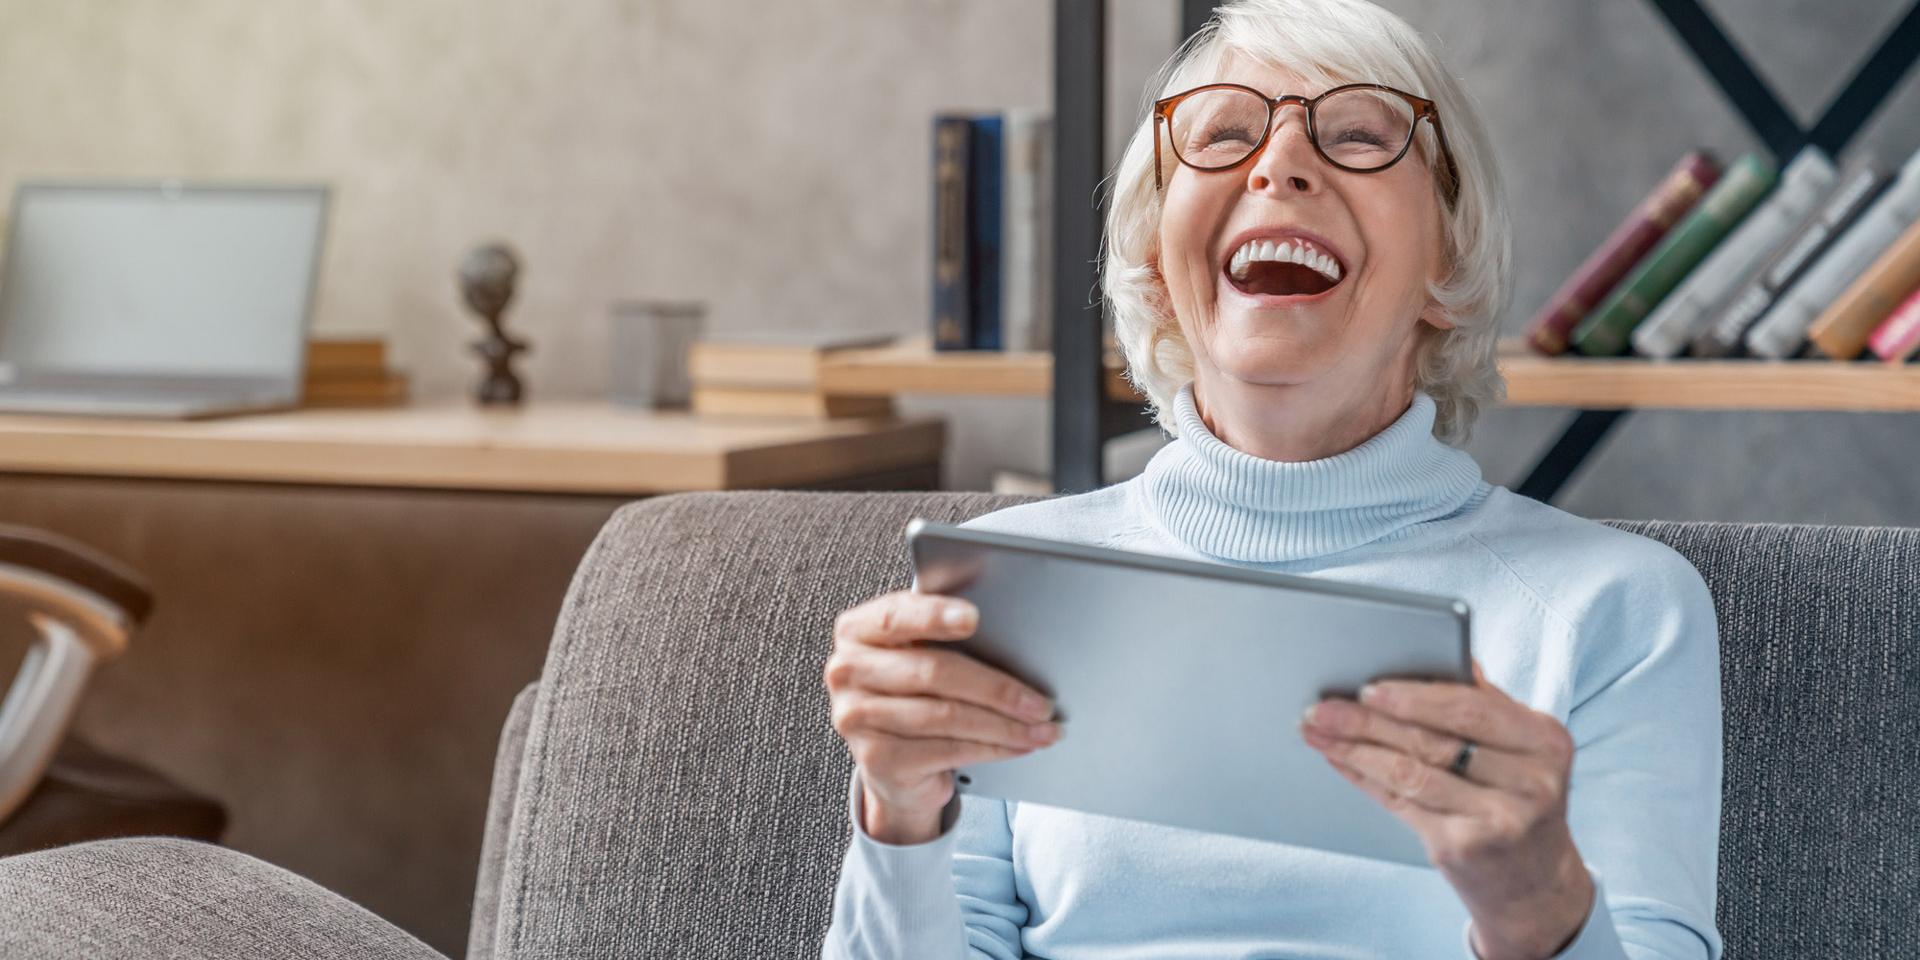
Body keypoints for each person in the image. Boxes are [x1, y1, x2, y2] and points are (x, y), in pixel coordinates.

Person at [819, 1, 1723, 956]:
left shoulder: (1619, 608)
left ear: (1448, 261)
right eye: (1224, 133)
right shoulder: (1003, 592)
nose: (1279, 163)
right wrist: (899, 812)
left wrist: (1539, 904)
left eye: (1359, 134)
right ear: (1158, 261)